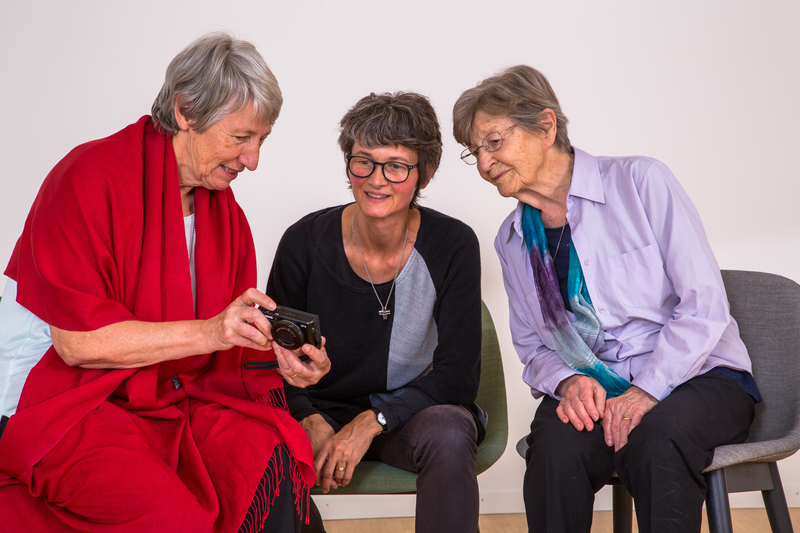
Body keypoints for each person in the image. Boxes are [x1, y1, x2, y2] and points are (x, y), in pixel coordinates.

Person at [0, 32, 330, 533]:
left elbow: (224, 347)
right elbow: (77, 343)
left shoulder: (226, 214)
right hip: (58, 395)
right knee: (170, 517)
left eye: (262, 140)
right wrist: (214, 331)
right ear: (185, 112)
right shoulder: (87, 178)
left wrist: (283, 361)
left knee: (269, 454)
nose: (253, 159)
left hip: (165, 388)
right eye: (241, 137)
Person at [452, 65, 761, 533]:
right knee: (553, 450)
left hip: (701, 376)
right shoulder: (512, 239)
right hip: (598, 389)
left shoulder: (640, 182)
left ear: (546, 124)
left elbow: (703, 304)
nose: (484, 163)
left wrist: (647, 390)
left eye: (493, 142)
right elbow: (534, 347)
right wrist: (566, 382)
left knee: (657, 439)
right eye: (473, 151)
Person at [267, 92, 484, 533]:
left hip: (411, 412)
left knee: (450, 432)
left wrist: (373, 421)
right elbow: (274, 357)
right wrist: (307, 416)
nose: (376, 180)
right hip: (319, 409)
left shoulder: (453, 245)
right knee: (263, 441)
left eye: (396, 166)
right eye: (362, 161)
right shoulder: (303, 241)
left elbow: (457, 375)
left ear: (426, 173)